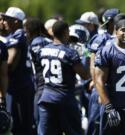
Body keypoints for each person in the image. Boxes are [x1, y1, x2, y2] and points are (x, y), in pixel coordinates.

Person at [94, 13, 125, 135]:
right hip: (113, 108)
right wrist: (108, 107)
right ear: (116, 32)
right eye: (123, 30)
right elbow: (99, 81)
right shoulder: (106, 51)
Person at [37, 21, 90, 135]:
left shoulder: (42, 50)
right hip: (65, 99)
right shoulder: (69, 52)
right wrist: (87, 55)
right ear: (66, 32)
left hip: (46, 97)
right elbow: (85, 75)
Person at [1, 7, 35, 135]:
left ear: (16, 21)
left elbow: (10, 63)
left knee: (19, 126)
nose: (3, 22)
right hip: (21, 85)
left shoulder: (18, 35)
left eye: (7, 19)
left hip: (19, 87)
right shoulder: (20, 34)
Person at [86, 8, 120, 135]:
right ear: (111, 22)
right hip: (102, 88)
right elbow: (93, 63)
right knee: (95, 123)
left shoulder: (123, 37)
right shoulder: (101, 39)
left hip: (117, 88)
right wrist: (96, 84)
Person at [24, 17, 52, 129]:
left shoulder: (37, 42)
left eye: (26, 30)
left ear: (31, 30)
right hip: (51, 85)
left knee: (39, 122)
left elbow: (42, 63)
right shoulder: (46, 40)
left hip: (43, 85)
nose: (25, 33)